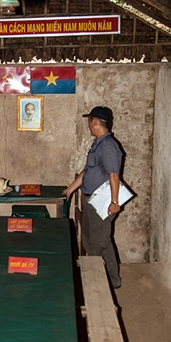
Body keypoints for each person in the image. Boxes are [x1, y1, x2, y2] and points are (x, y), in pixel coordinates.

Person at [63, 106, 123, 289]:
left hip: (102, 201)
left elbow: (114, 175)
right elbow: (88, 171)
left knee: (101, 241)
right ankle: (98, 276)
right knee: (89, 238)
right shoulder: (98, 143)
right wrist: (71, 189)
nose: (89, 125)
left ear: (95, 122)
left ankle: (110, 281)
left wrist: (114, 202)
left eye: (89, 121)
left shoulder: (109, 146)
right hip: (90, 199)